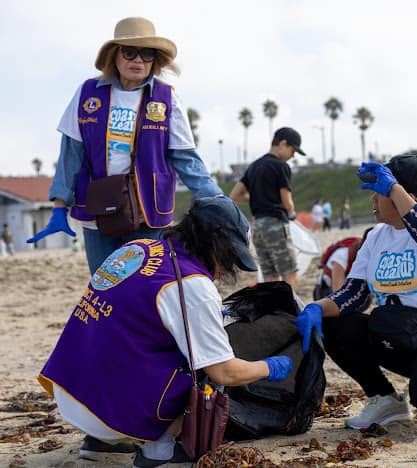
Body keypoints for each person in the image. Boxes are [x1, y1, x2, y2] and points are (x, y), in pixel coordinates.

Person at [38, 197, 293, 467]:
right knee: (204, 368)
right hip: (107, 408)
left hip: (70, 388)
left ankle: (100, 442)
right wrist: (270, 367)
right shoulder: (192, 285)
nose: (224, 270)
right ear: (216, 245)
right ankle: (158, 452)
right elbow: (225, 372)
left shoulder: (139, 247)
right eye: (230, 258)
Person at [296, 154, 417, 430]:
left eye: (380, 192)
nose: (373, 199)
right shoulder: (376, 235)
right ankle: (384, 400)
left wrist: (395, 190)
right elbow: (355, 294)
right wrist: (316, 308)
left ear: (403, 195)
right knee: (333, 322)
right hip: (400, 334)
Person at [27, 17, 224, 275]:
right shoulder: (87, 93)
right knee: (103, 284)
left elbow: (185, 158)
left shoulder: (167, 98)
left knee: (145, 286)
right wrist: (59, 206)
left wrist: (216, 197)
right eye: (130, 52)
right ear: (114, 55)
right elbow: (71, 155)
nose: (138, 60)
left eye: (147, 54)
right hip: (99, 211)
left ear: (155, 60)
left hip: (148, 210)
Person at [229, 127, 306, 290]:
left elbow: (234, 195)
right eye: (293, 151)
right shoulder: (281, 166)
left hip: (257, 227)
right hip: (276, 224)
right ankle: (288, 311)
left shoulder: (254, 167)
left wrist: (257, 197)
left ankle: (272, 312)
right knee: (289, 272)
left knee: (269, 274)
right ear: (283, 144)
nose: (293, 156)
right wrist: (292, 214)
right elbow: (287, 202)